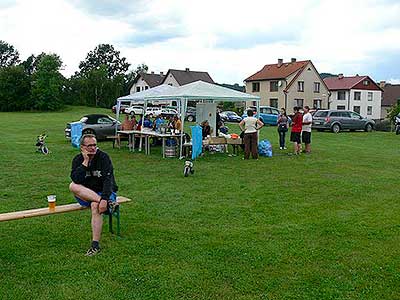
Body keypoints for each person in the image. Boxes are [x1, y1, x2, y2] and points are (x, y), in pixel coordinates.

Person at [69, 134, 118, 256]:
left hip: (105, 192)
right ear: (82, 147)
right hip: (87, 194)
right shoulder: (78, 159)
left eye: (94, 145)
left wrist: (105, 198)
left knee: (95, 206)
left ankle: (95, 246)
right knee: (72, 185)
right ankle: (108, 204)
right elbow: (76, 179)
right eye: (89, 145)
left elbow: (108, 180)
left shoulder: (103, 157)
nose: (93, 148)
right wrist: (85, 162)